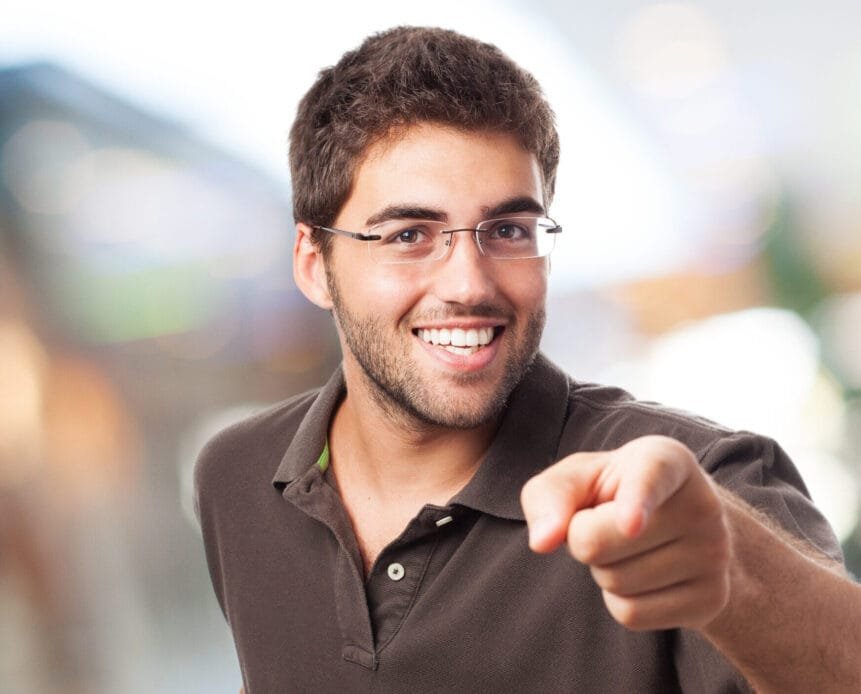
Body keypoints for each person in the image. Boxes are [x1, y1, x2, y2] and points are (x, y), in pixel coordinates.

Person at [195, 26, 861, 693]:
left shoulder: (693, 488)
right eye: (408, 235)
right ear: (315, 267)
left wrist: (739, 572)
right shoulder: (236, 477)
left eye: (508, 230)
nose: (469, 284)